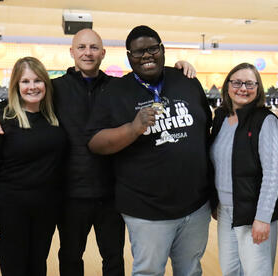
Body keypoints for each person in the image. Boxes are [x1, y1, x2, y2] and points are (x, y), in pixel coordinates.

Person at [0, 28, 196, 276]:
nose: (87, 52)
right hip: (70, 194)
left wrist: (178, 70)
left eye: (93, 48)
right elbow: (20, 98)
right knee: (70, 257)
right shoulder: (55, 87)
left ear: (103, 53)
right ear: (72, 52)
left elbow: (155, 84)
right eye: (81, 47)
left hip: (112, 191)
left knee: (113, 258)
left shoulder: (118, 87)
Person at [87, 25, 213, 276]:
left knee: (191, 271)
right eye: (138, 52)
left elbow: (206, 128)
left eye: (152, 49)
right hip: (146, 210)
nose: (146, 56)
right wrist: (133, 128)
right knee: (149, 272)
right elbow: (95, 142)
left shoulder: (186, 80)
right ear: (128, 57)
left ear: (162, 50)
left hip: (195, 207)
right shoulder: (114, 92)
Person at [0, 57, 66, 276]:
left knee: (37, 268)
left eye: (37, 80)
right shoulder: (2, 119)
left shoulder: (54, 116)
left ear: (46, 83)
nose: (32, 86)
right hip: (10, 210)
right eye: (25, 81)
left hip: (46, 210)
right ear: (16, 85)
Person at [210, 63, 278, 276]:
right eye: (237, 82)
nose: (243, 88)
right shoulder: (221, 117)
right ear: (228, 86)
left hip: (253, 212)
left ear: (258, 88)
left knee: (256, 272)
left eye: (250, 83)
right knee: (230, 270)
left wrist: (262, 217)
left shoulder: (266, 121)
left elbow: (272, 175)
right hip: (225, 211)